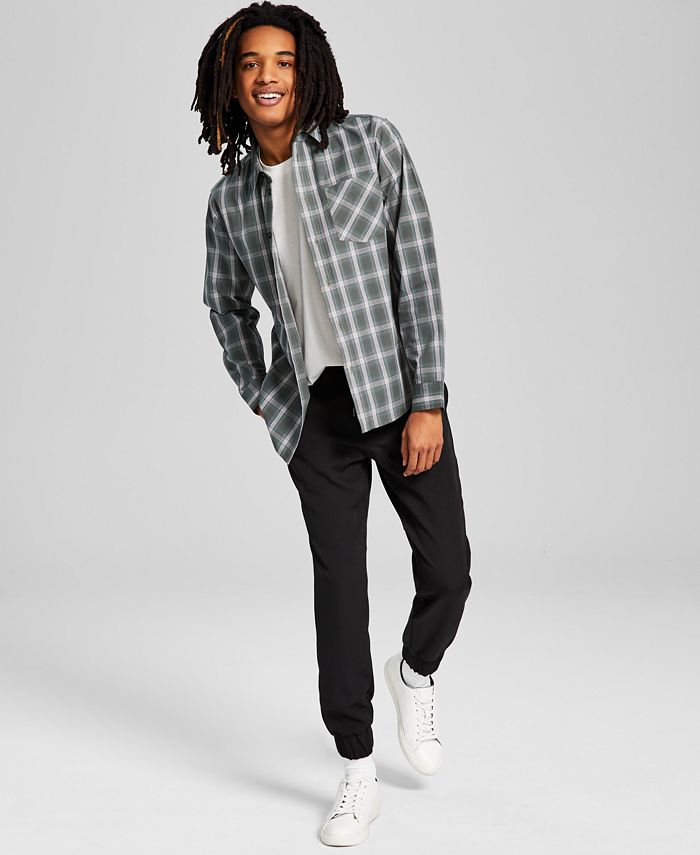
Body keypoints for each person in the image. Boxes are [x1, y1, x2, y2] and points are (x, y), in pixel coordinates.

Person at [192, 2, 472, 846]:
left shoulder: (371, 145)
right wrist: (260, 389)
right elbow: (224, 303)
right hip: (314, 413)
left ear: (306, 69)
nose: (267, 75)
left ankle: (414, 671)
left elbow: (417, 272)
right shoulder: (231, 199)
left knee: (449, 568)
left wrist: (429, 399)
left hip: (396, 396)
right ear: (231, 82)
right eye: (251, 63)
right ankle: (357, 769)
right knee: (340, 592)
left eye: (282, 60)